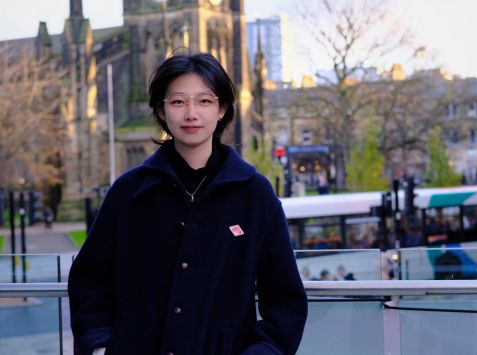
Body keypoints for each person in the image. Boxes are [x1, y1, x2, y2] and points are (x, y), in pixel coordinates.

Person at [68, 53, 308, 355]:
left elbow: (285, 300)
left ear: (222, 109)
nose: (191, 114)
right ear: (161, 109)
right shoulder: (129, 192)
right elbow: (89, 280)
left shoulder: (255, 194)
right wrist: (100, 345)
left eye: (204, 101)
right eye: (178, 102)